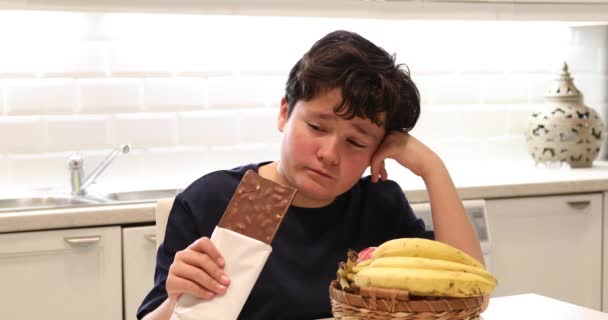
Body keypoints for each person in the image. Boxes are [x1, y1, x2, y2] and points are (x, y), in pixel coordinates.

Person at [137, 30, 488, 320]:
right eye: (317, 126)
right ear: (284, 113)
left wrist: (432, 168)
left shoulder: (379, 205)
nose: (330, 154)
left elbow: (471, 291)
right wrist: (175, 301)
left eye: (356, 141)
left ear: (378, 150)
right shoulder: (214, 200)